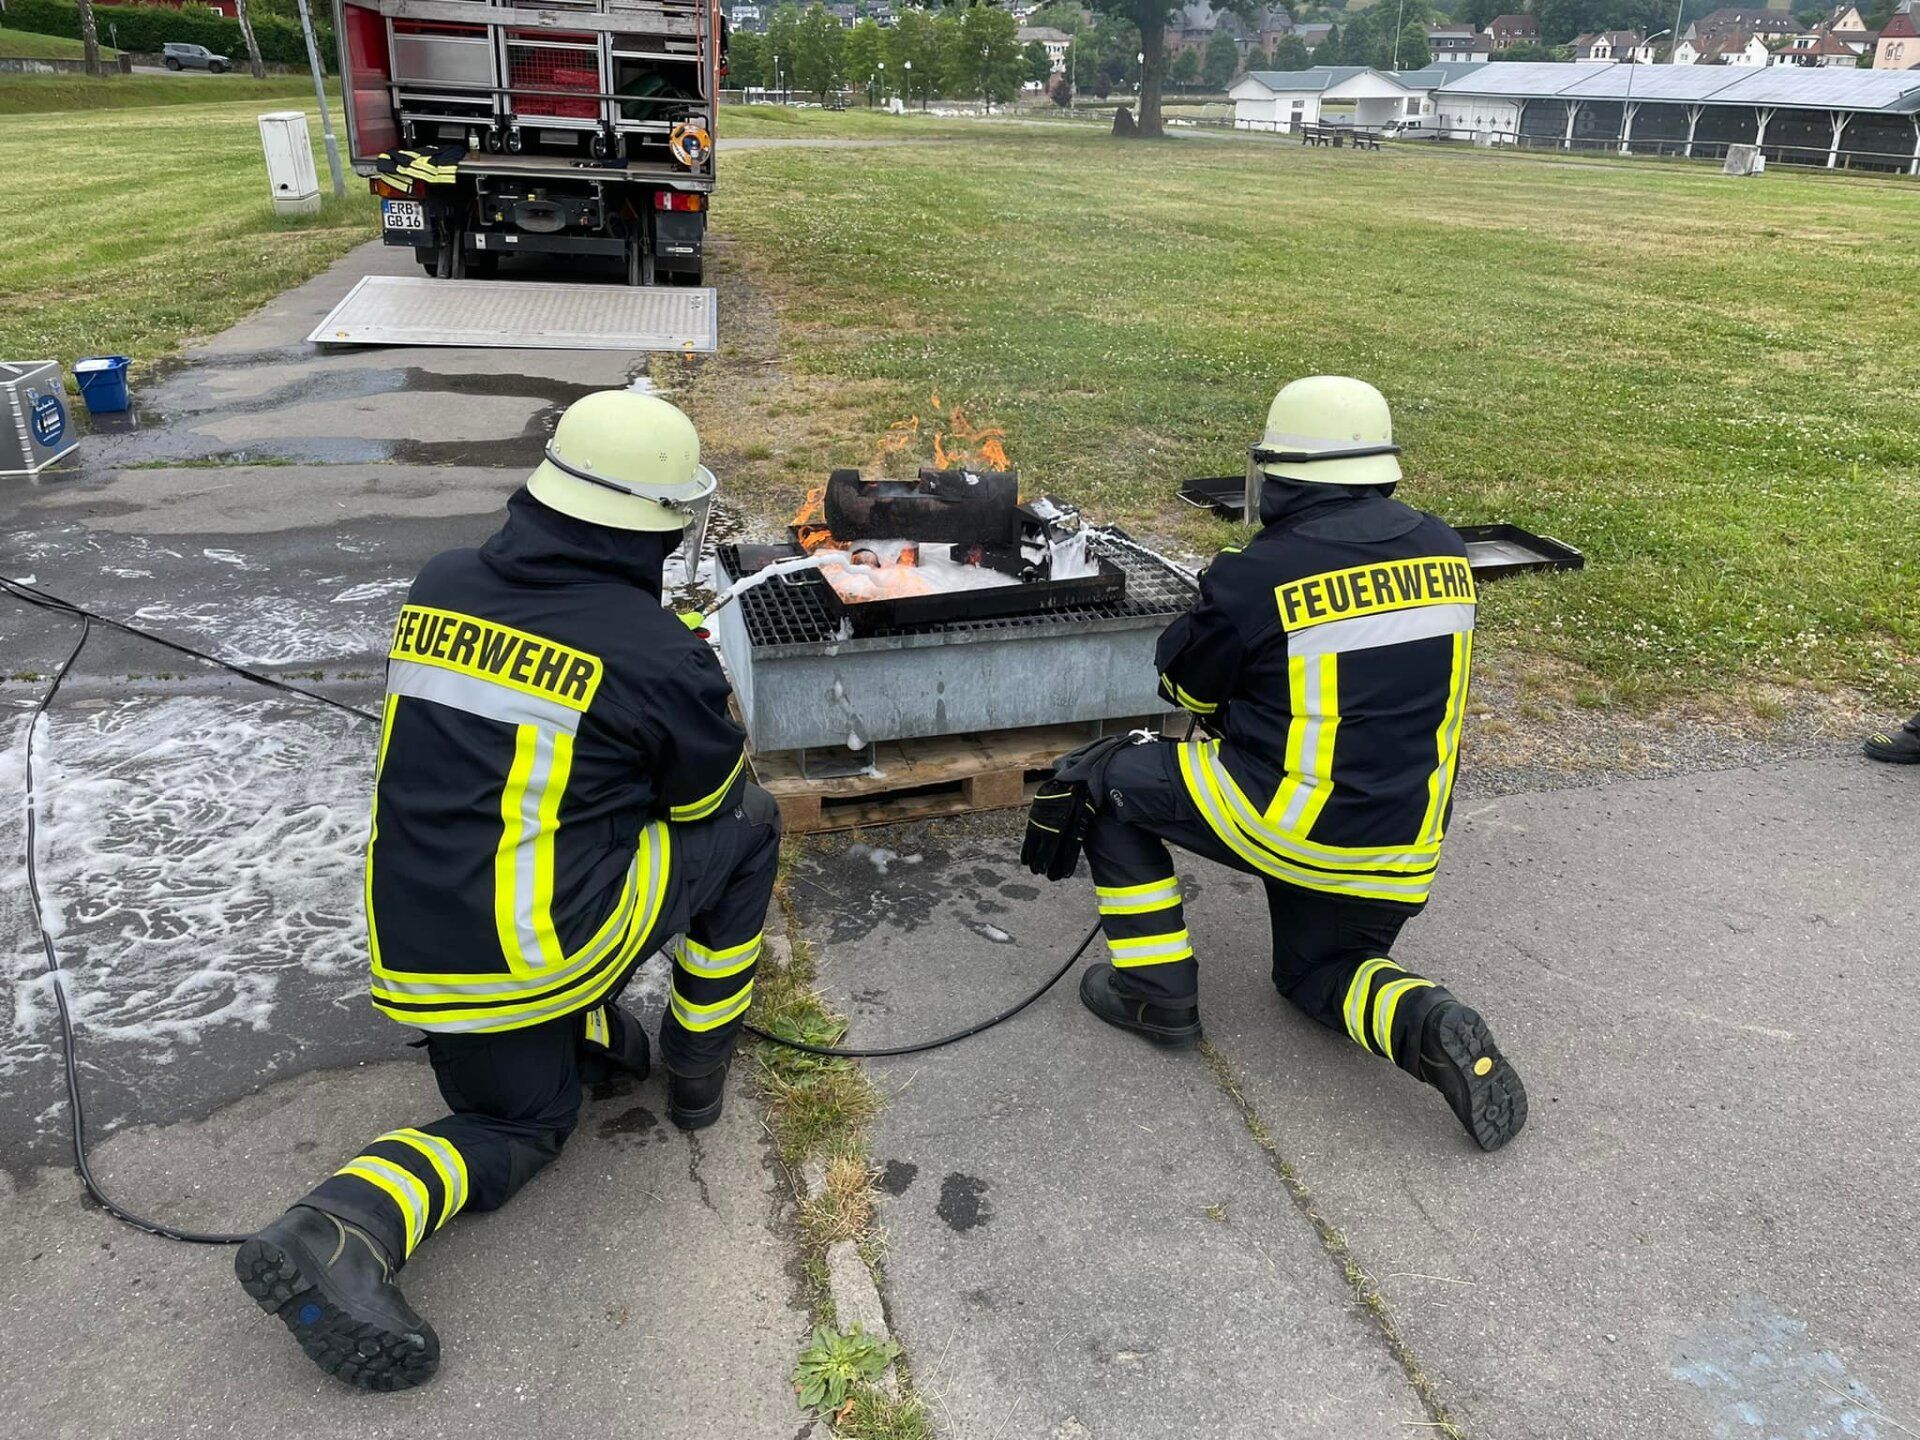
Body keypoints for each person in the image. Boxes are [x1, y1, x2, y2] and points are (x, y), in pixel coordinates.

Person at [233, 392, 780, 1390]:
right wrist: (685, 692)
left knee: (515, 1114)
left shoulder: (440, 582)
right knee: (752, 821)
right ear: (664, 525)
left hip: (420, 952)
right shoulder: (653, 649)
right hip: (534, 959)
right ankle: (698, 1071)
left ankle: (342, 1225)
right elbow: (702, 802)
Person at [1032, 376, 1527, 1152]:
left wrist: (1220, 613)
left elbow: (1183, 688)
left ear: (1285, 476)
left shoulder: (1259, 572)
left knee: (1106, 778)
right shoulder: (1443, 548)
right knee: (1316, 976)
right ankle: (1427, 1020)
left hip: (1293, 822)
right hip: (1402, 841)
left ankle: (1154, 993)